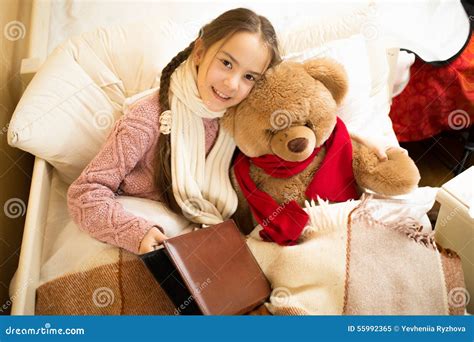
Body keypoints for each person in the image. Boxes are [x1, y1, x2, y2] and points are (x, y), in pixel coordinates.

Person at [67, 7, 404, 256]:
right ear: (200, 52)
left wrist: (354, 137)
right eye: (226, 63)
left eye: (249, 76)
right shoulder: (147, 118)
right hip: (158, 222)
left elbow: (297, 122)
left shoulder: (240, 110)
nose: (231, 84)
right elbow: (84, 193)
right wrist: (136, 233)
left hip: (222, 228)